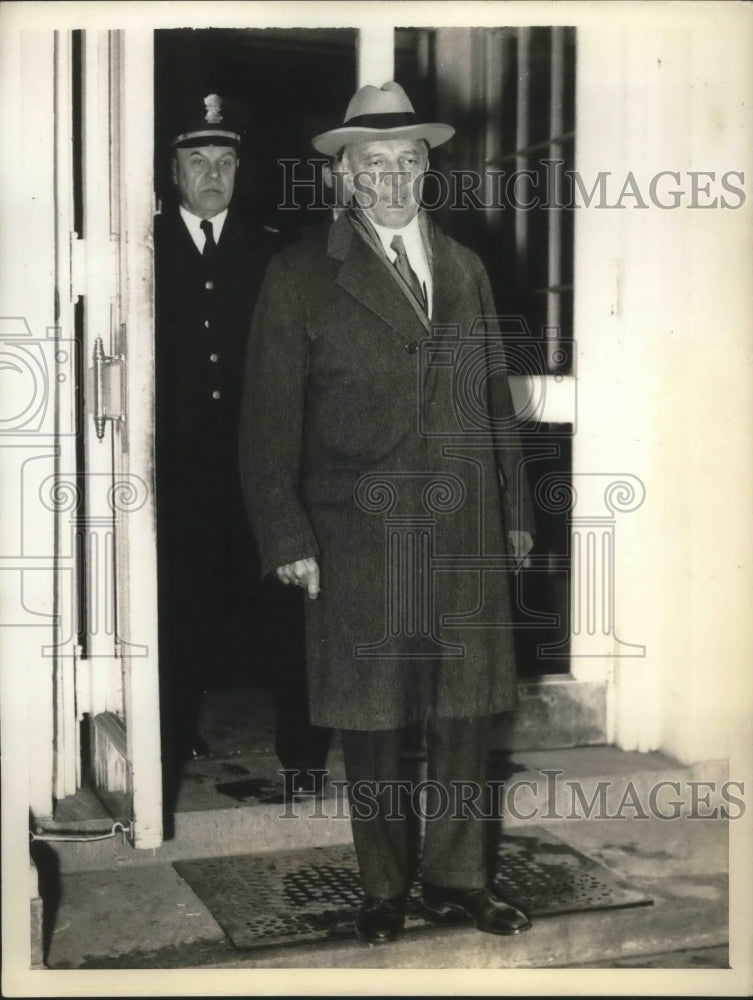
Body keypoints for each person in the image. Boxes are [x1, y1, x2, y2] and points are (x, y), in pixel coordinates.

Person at [239, 81, 536, 944]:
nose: (394, 176)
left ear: (425, 170)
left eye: (409, 160)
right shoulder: (300, 273)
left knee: (463, 713)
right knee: (372, 717)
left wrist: (515, 509)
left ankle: (457, 880)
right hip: (355, 529)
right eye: (375, 163)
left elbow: (492, 400)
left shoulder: (465, 267)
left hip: (464, 525)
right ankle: (381, 888)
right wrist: (287, 534)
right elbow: (266, 421)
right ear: (343, 175)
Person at [154, 92, 330, 788]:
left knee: (284, 606)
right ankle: (164, 744)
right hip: (176, 467)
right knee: (176, 605)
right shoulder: (141, 248)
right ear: (173, 172)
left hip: (261, 460)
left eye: (223, 160)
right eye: (196, 160)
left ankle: (303, 752)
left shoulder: (272, 251)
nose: (211, 174)